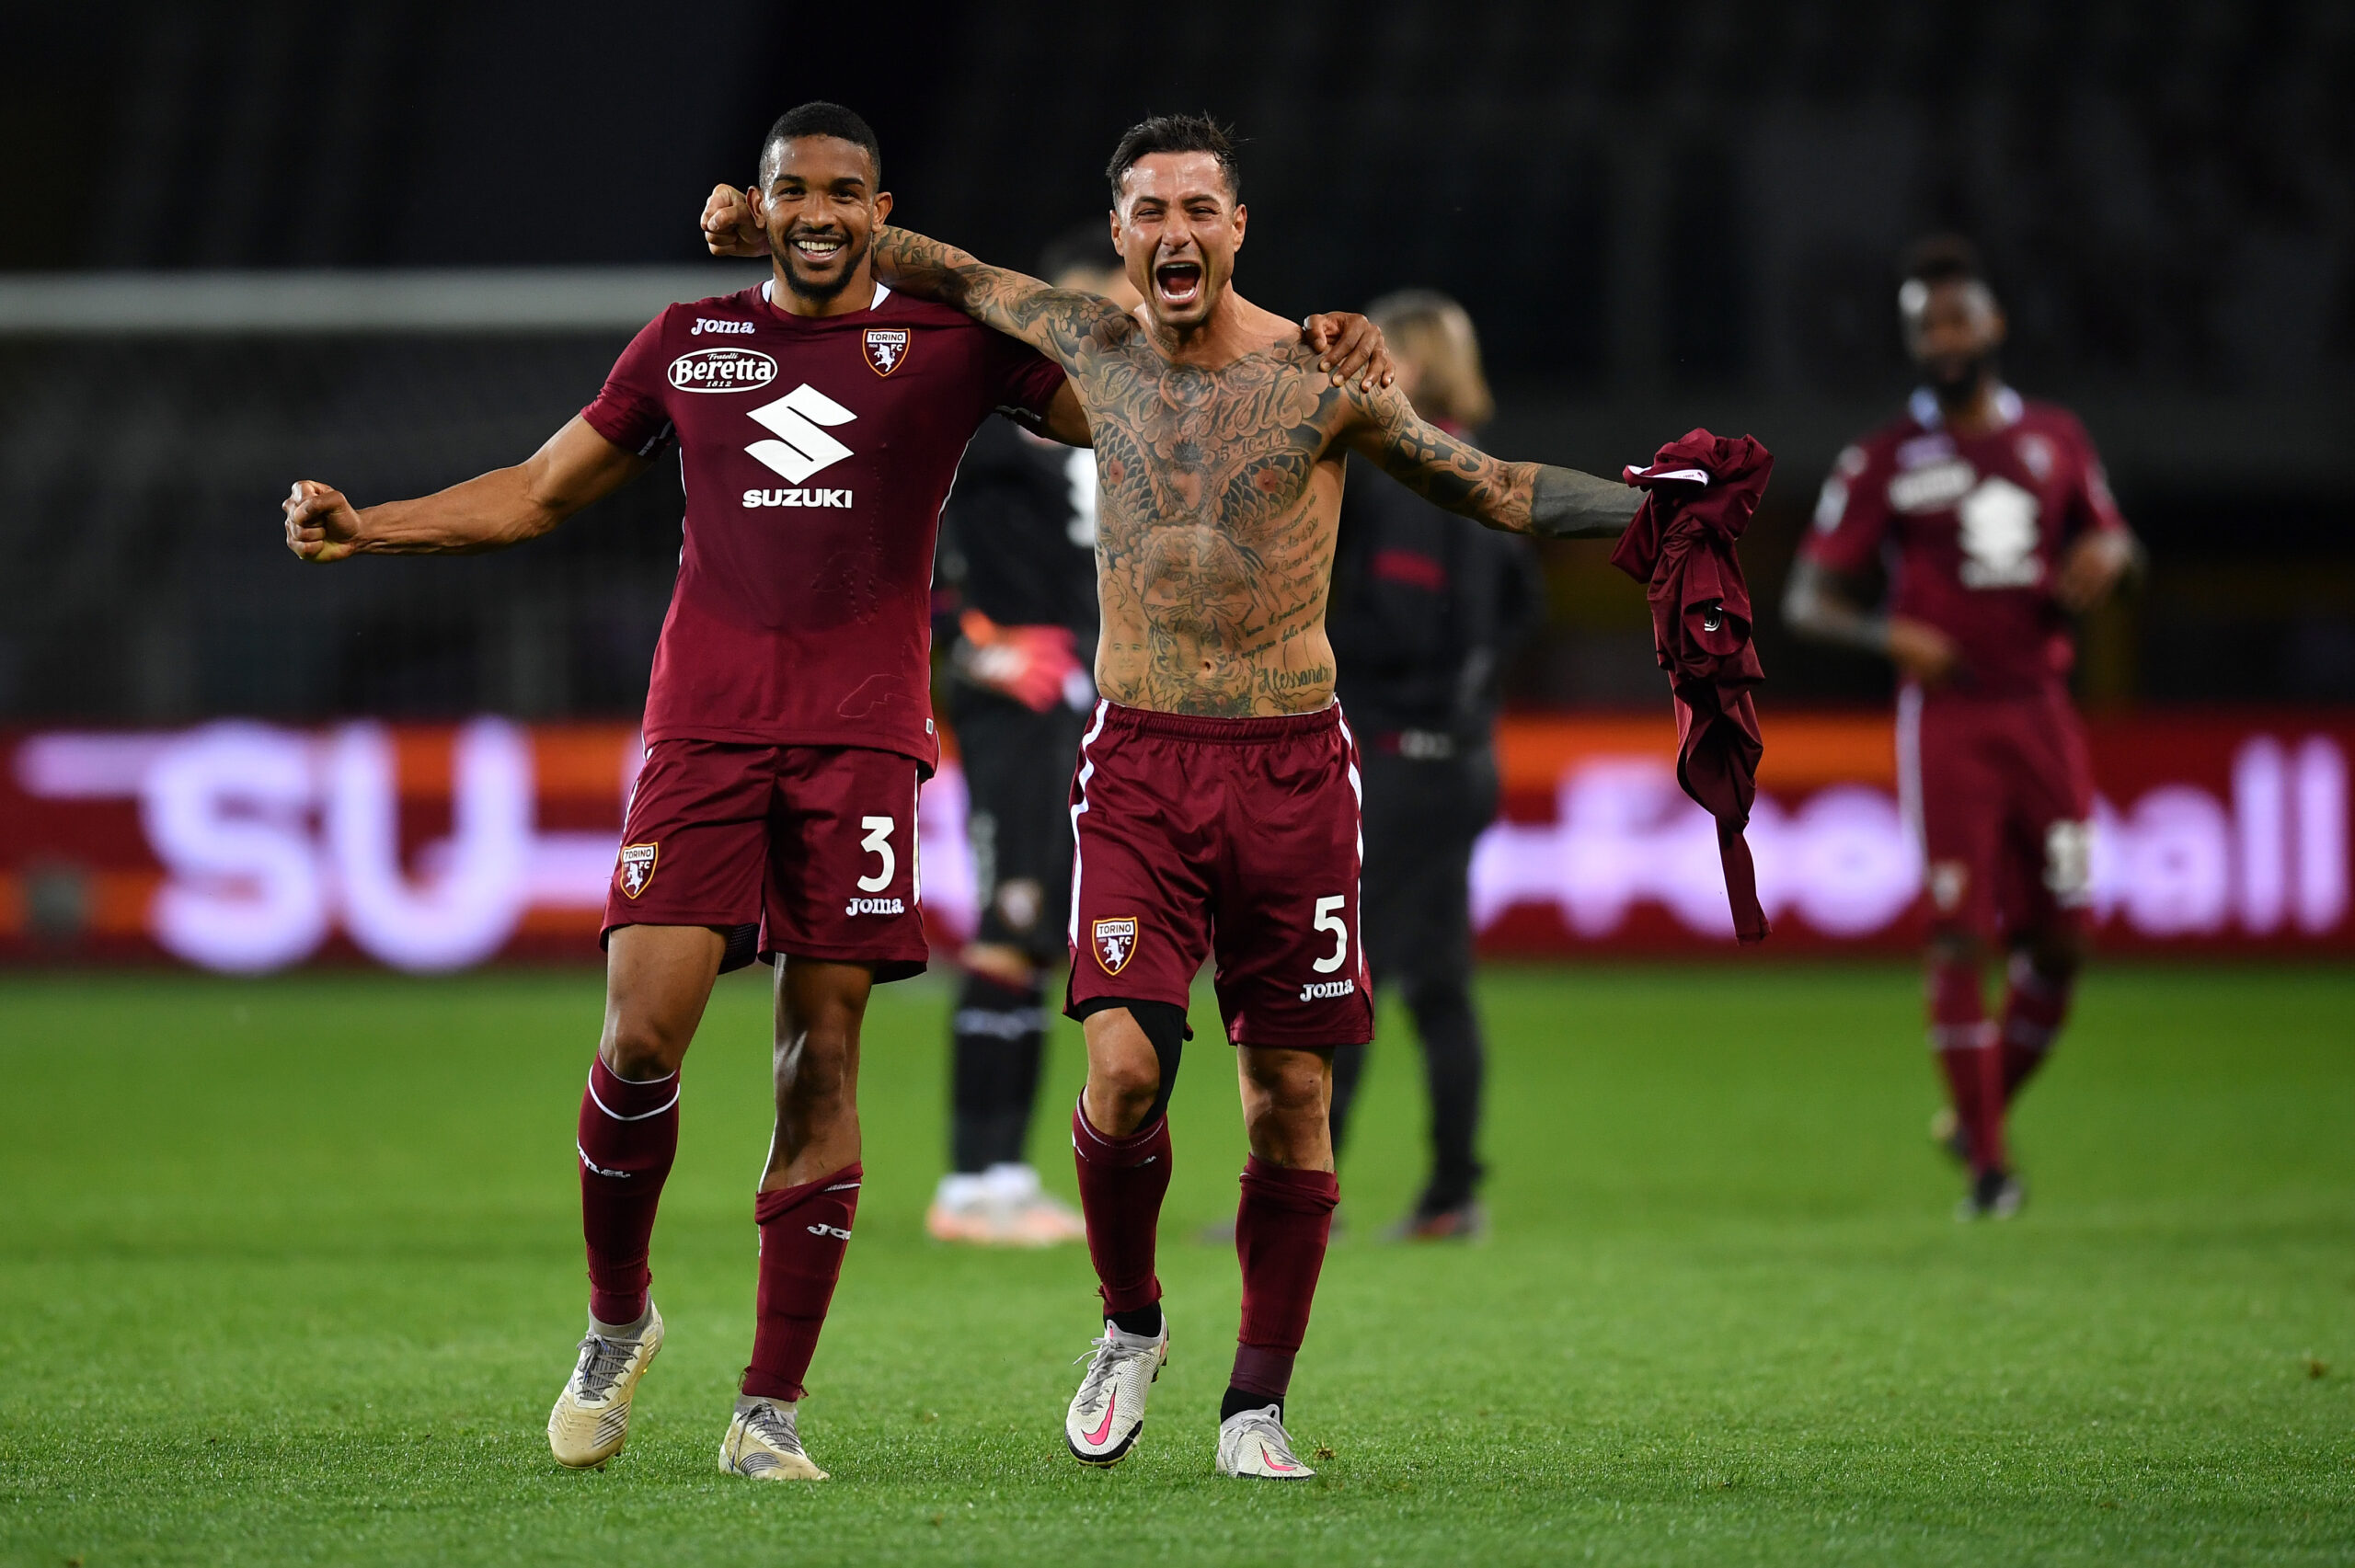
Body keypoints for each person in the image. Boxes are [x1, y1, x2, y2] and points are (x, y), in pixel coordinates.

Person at [282, 101, 1392, 1484]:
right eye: (793, 191)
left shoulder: (948, 347)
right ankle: (618, 1321)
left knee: (822, 1060)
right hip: (702, 731)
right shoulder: (686, 340)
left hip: (864, 742)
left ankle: (769, 1407)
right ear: (756, 205)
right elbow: (538, 490)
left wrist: (1309, 354)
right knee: (641, 1038)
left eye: (844, 192)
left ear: (881, 209)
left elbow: (1158, 398)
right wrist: (370, 527)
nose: (818, 213)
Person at [715, 111, 1683, 1479]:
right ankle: (1130, 1321)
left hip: (1295, 769)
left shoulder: (1322, 375)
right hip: (1139, 766)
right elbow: (937, 265)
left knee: (1289, 1097)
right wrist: (783, 225)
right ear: (1120, 235)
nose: (1175, 232)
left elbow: (1499, 488)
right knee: (1123, 1075)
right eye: (1150, 211)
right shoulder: (1088, 345)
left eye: (1198, 209)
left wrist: (1652, 508)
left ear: (1237, 229)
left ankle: (1254, 1410)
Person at [1784, 235, 2137, 1221]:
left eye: (1956, 320)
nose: (1942, 338)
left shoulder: (2057, 439)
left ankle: (1976, 1114)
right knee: (1956, 936)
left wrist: (2116, 553)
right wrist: (1885, 631)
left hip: (2043, 712)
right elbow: (1808, 597)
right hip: (1947, 721)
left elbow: (2116, 543)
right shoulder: (1885, 458)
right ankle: (1989, 1166)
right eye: (1924, 326)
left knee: (2062, 941)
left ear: (1993, 325)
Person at [923, 226, 1141, 1247]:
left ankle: (1005, 1176)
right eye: (1105, 310)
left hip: (1082, 701)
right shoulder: (992, 421)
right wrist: (970, 646)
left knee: (1044, 932)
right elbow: (902, 527)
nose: (1122, 327)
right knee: (1007, 927)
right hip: (1018, 698)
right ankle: (970, 1182)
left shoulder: (1100, 421)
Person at [1323, 291, 1542, 1241]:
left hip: (1397, 762)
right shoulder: (1486, 470)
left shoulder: (1411, 478)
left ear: (1408, 366)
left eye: (1380, 354)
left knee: (1337, 972)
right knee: (1441, 980)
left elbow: (1404, 623)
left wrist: (1310, 645)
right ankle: (1453, 1193)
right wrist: (1471, 683)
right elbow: (1525, 608)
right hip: (1461, 757)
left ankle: (1303, 1195)